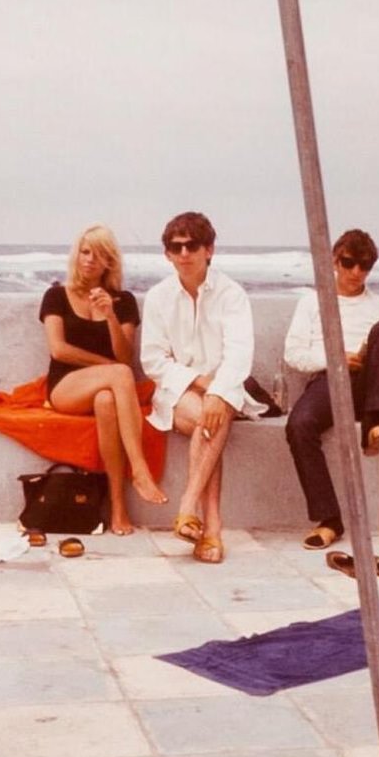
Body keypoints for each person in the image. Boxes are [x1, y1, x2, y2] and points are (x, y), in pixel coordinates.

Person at [140, 212, 266, 564]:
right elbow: (153, 360)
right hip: (178, 391)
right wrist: (200, 383)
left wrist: (217, 392)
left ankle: (188, 508)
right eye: (175, 247)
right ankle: (210, 525)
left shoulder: (231, 294)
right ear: (167, 254)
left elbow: (239, 354)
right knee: (210, 418)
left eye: (191, 245)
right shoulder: (158, 297)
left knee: (214, 414)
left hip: (223, 389)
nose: (183, 253)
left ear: (208, 249)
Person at [284, 228, 379, 551]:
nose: (356, 272)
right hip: (332, 379)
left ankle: (371, 426)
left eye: (364, 266)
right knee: (299, 426)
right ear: (334, 260)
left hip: (374, 387)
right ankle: (329, 520)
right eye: (349, 263)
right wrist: (337, 358)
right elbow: (293, 354)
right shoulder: (312, 302)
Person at [41, 224, 168, 535]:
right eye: (85, 252)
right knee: (119, 376)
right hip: (66, 388)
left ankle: (118, 510)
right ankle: (139, 469)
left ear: (109, 262)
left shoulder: (123, 301)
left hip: (107, 389)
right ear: (77, 255)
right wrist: (107, 366)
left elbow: (125, 357)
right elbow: (58, 350)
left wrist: (110, 315)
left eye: (98, 255)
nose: (89, 260)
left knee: (107, 400)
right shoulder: (57, 295)